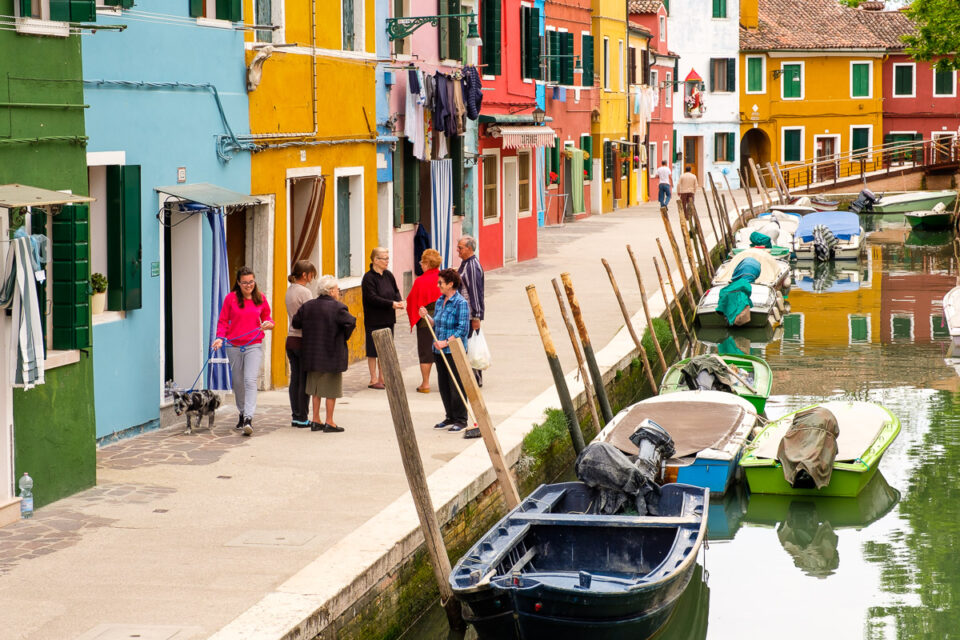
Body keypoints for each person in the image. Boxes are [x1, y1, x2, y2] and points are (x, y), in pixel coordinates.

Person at [213, 266, 274, 436]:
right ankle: (241, 412)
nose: (248, 285)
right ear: (238, 283)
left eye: (251, 282)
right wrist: (219, 337)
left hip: (253, 344)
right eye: (245, 282)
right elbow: (223, 321)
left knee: (249, 380)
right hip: (233, 345)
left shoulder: (260, 298)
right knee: (238, 382)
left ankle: (248, 417)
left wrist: (269, 324)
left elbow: (268, 317)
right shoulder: (230, 299)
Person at [292, 275, 356, 433]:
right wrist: (343, 336)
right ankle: (329, 421)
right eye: (337, 289)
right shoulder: (338, 308)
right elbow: (351, 322)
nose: (338, 292)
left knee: (315, 390)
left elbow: (296, 322)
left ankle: (315, 420)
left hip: (312, 354)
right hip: (331, 353)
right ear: (331, 291)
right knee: (331, 390)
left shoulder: (308, 306)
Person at [419, 269, 470, 433]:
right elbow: (436, 324)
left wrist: (446, 342)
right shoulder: (441, 300)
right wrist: (426, 317)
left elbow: (462, 329)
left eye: (440, 282)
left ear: (450, 284)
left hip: (453, 350)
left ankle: (461, 419)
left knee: (456, 385)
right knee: (444, 385)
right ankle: (450, 416)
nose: (438, 285)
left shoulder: (460, 303)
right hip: (439, 351)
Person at [361, 247, 405, 389]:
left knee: (385, 349)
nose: (387, 261)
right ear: (375, 260)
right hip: (374, 318)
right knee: (373, 350)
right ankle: (373, 379)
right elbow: (372, 298)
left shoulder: (388, 275)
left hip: (388, 318)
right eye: (384, 258)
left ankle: (383, 376)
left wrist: (399, 301)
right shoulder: (368, 278)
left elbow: (396, 291)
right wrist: (391, 304)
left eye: (388, 258)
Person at [284, 260, 317, 428]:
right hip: (303, 339)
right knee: (304, 380)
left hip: (290, 338)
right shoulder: (305, 292)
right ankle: (303, 416)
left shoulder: (289, 291)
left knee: (295, 379)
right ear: (304, 275)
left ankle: (296, 415)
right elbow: (310, 317)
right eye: (311, 274)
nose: (312, 277)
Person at [405, 248, 442, 393]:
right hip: (442, 319)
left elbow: (412, 300)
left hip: (425, 320)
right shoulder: (443, 277)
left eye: (422, 261)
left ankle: (425, 384)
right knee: (443, 350)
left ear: (427, 263)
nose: (420, 264)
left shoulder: (420, 281)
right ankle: (445, 381)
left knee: (426, 352)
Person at [456, 235, 485, 387]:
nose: (457, 250)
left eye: (460, 248)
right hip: (464, 313)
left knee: (472, 347)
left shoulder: (472, 266)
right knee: (468, 346)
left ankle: (475, 379)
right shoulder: (466, 264)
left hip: (470, 314)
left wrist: (476, 316)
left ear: (469, 248)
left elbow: (475, 292)